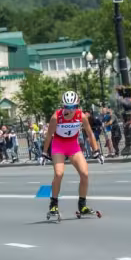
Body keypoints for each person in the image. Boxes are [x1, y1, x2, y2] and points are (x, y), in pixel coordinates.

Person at [41, 90, 104, 220]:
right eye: (67, 107)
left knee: (84, 174)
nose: (70, 110)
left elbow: (90, 133)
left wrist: (96, 151)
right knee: (59, 174)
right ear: (63, 106)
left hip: (73, 146)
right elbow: (49, 136)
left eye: (73, 107)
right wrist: (44, 153)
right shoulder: (56, 117)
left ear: (77, 105)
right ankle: (53, 205)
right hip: (58, 145)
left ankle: (82, 206)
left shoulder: (81, 116)